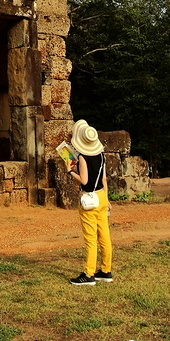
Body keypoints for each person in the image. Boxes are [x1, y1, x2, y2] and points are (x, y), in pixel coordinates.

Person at [65, 119, 113, 286]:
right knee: (104, 236)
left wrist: (70, 171)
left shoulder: (83, 158)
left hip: (89, 199)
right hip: (101, 196)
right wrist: (107, 200)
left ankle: (89, 273)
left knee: (91, 238)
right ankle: (106, 270)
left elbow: (84, 181)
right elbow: (104, 178)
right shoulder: (101, 156)